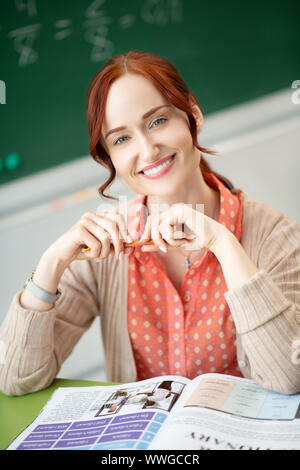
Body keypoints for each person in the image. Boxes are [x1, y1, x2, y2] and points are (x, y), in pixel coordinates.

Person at [0, 51, 300, 396]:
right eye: (121, 139)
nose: (147, 149)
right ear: (109, 157)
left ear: (193, 115)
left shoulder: (277, 236)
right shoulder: (106, 249)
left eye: (157, 121)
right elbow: (16, 379)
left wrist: (223, 244)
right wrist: (49, 267)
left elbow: (290, 376)